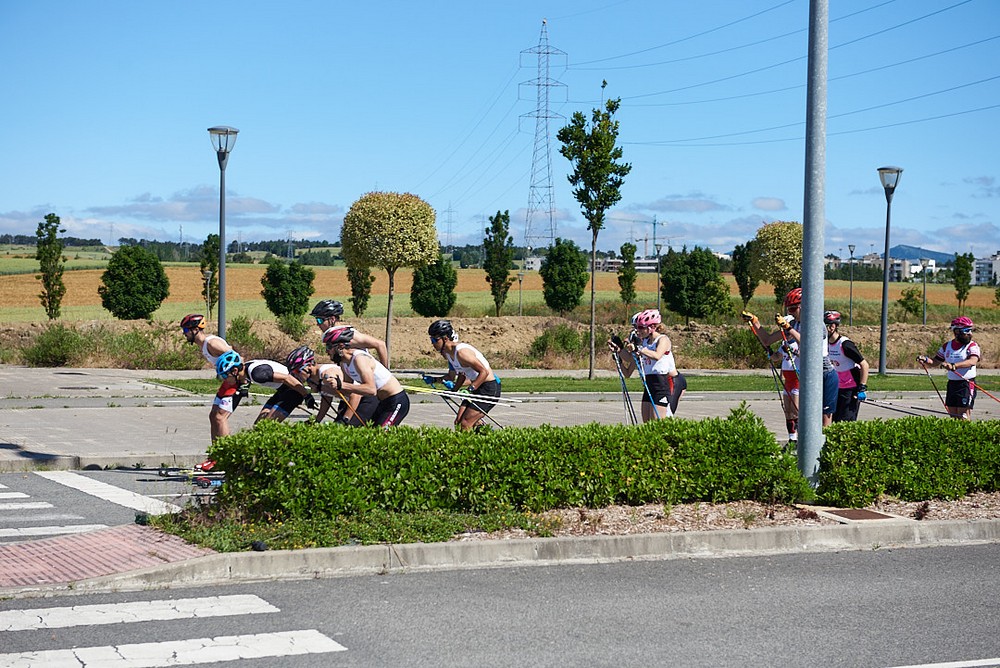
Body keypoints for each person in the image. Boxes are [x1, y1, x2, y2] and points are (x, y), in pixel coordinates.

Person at [607, 309, 686, 422]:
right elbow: (630, 358)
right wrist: (619, 350)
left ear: (652, 327)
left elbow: (657, 355)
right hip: (649, 384)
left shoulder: (663, 339)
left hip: (662, 384)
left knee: (658, 423)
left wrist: (639, 348)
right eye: (637, 327)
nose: (638, 331)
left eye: (641, 327)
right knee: (647, 423)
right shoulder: (644, 342)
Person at [744, 289, 802, 441]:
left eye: (793, 309)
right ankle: (792, 439)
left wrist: (792, 348)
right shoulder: (788, 333)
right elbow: (767, 340)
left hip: (799, 377)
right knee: (788, 411)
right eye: (789, 310)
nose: (791, 313)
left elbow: (809, 351)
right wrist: (755, 322)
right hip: (788, 378)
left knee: (797, 410)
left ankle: (802, 442)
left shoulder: (806, 328)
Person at [323, 325, 409, 427]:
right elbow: (348, 392)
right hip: (382, 402)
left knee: (380, 437)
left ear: (340, 346)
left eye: (329, 347)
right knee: (368, 434)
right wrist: (325, 387)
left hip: (396, 400)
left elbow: (371, 390)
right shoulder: (344, 363)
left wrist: (342, 385)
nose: (326, 351)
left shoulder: (359, 359)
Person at [425, 319, 502, 431]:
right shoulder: (449, 354)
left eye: (434, 339)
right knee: (459, 422)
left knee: (466, 423)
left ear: (445, 338)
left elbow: (484, 372)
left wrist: (470, 389)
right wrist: (453, 391)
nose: (432, 343)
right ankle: (483, 435)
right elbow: (462, 375)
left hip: (489, 387)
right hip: (478, 388)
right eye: (431, 339)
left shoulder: (461, 352)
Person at [215, 350, 317, 426]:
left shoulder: (258, 374)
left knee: (267, 426)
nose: (224, 379)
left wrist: (306, 395)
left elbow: (286, 378)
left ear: (235, 371)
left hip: (294, 391)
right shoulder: (246, 369)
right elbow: (244, 379)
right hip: (282, 391)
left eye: (224, 376)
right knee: (258, 426)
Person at [180, 314, 237, 446]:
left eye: (186, 330)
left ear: (195, 330)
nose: (184, 334)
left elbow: (237, 358)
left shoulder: (212, 343)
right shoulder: (203, 345)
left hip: (236, 382)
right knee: (213, 416)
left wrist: (242, 381)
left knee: (220, 417)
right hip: (227, 382)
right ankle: (215, 453)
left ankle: (226, 452)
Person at [286, 345, 376, 426]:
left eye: (297, 371)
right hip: (349, 402)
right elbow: (327, 398)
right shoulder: (313, 378)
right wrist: (316, 421)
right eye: (293, 373)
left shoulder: (328, 373)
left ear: (309, 366)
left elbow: (355, 395)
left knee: (344, 432)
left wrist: (346, 419)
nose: (296, 376)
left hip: (365, 399)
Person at [917, 316, 981, 420]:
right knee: (953, 415)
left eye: (971, 330)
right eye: (966, 330)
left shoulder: (972, 346)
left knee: (963, 416)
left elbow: (973, 361)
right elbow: (936, 361)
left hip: (966, 384)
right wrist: (925, 360)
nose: (970, 333)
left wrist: (954, 366)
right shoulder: (947, 346)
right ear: (956, 332)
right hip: (952, 384)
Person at [310, 299, 389, 366]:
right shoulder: (337, 336)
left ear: (332, 319)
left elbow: (380, 344)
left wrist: (385, 373)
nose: (317, 324)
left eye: (319, 320)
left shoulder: (348, 335)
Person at [826, 310, 870, 423]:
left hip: (850, 388)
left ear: (832, 327)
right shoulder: (825, 344)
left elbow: (864, 365)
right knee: (833, 420)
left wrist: (862, 388)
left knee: (846, 421)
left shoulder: (845, 344)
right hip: (835, 387)